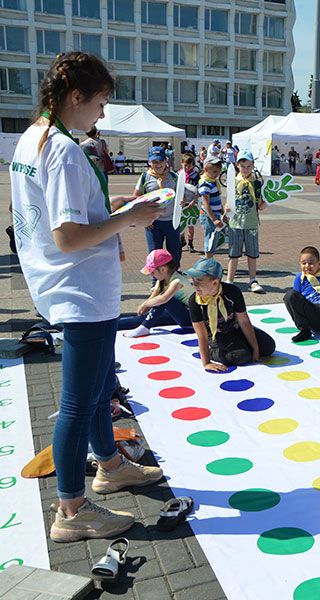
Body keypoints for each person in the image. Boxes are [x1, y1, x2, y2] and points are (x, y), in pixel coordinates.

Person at [11, 52, 165, 542]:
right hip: (79, 288)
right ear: (75, 97)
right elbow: (69, 236)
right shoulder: (62, 150)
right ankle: (72, 510)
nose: (101, 115)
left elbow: (62, 217)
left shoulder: (33, 137)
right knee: (80, 401)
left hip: (65, 285)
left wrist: (112, 207)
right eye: (99, 103)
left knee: (100, 389)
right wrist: (131, 219)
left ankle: (111, 465)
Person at [187, 258, 275, 368]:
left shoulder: (232, 292)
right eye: (193, 283)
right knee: (242, 356)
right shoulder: (194, 301)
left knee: (268, 346)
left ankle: (244, 346)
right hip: (216, 335)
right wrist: (207, 363)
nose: (195, 287)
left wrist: (255, 348)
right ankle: (213, 352)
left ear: (215, 282)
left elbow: (244, 321)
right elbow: (202, 334)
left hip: (236, 328)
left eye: (199, 283)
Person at [119, 249, 192, 337]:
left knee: (163, 300)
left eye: (152, 272)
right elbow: (151, 301)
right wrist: (144, 308)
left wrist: (145, 304)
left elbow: (164, 298)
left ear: (163, 269)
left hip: (191, 320)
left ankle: (145, 327)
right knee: (142, 318)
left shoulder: (177, 281)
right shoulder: (161, 281)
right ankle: (117, 324)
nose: (151, 275)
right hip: (178, 315)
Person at [225, 149, 266, 292]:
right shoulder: (233, 181)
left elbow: (260, 206)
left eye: (249, 166)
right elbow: (228, 202)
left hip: (252, 223)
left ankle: (253, 280)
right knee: (233, 253)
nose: (246, 169)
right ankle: (230, 280)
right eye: (243, 166)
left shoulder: (257, 183)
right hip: (235, 223)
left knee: (252, 253)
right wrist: (226, 210)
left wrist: (267, 202)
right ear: (237, 165)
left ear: (253, 165)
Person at [136, 145, 180, 265]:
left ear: (166, 160)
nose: (158, 164)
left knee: (175, 253)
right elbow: (136, 198)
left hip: (171, 221)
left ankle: (174, 278)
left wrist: (183, 201)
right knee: (154, 254)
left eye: (161, 161)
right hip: (153, 223)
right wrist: (145, 218)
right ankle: (156, 281)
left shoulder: (174, 177)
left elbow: (181, 196)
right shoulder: (145, 177)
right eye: (154, 161)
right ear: (149, 162)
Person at [197, 155, 227, 259]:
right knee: (210, 238)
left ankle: (209, 260)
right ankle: (208, 262)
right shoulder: (205, 183)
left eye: (218, 171)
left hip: (216, 214)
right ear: (206, 169)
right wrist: (214, 219)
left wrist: (223, 213)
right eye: (214, 172)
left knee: (214, 239)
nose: (217, 174)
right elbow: (205, 203)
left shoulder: (213, 182)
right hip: (209, 216)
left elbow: (217, 200)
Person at [178, 152, 201, 253]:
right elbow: (177, 188)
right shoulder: (179, 174)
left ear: (193, 165)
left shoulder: (196, 176)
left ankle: (190, 243)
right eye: (185, 165)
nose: (187, 167)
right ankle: (182, 240)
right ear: (181, 163)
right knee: (180, 223)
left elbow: (199, 190)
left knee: (190, 224)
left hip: (192, 203)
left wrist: (194, 201)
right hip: (181, 203)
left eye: (189, 165)